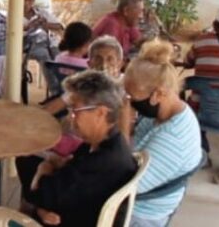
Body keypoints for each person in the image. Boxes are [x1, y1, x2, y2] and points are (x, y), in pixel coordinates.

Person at [16, 71, 137, 227]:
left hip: (77, 219)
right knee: (26, 161)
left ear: (100, 112)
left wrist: (43, 168)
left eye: (75, 111)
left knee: (30, 180)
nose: (69, 117)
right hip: (81, 206)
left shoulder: (100, 162)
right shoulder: (111, 141)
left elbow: (38, 195)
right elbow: (70, 167)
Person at [123, 40, 202, 227]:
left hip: (139, 213)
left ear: (158, 94)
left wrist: (123, 126)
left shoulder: (173, 138)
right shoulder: (163, 112)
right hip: (136, 195)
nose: (129, 103)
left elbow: (125, 184)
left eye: (132, 98)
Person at [182, 3, 219, 173]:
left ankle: (203, 153)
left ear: (215, 23)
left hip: (202, 110)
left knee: (190, 104)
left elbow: (188, 62)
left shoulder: (202, 41)